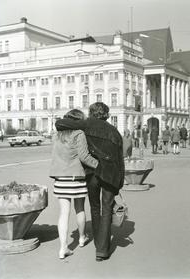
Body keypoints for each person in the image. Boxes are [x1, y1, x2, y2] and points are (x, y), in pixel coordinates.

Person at [55, 102, 124, 261]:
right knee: (107, 209)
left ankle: (97, 242)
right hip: (110, 174)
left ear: (91, 113)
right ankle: (102, 250)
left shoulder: (86, 124)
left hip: (92, 173)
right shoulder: (115, 132)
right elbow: (120, 160)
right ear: (106, 114)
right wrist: (119, 182)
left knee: (94, 207)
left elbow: (59, 123)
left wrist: (81, 121)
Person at [50, 109, 99, 259]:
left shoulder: (56, 135)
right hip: (76, 178)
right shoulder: (79, 134)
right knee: (80, 209)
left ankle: (63, 247)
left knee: (63, 213)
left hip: (60, 178)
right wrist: (99, 165)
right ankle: (82, 237)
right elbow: (84, 156)